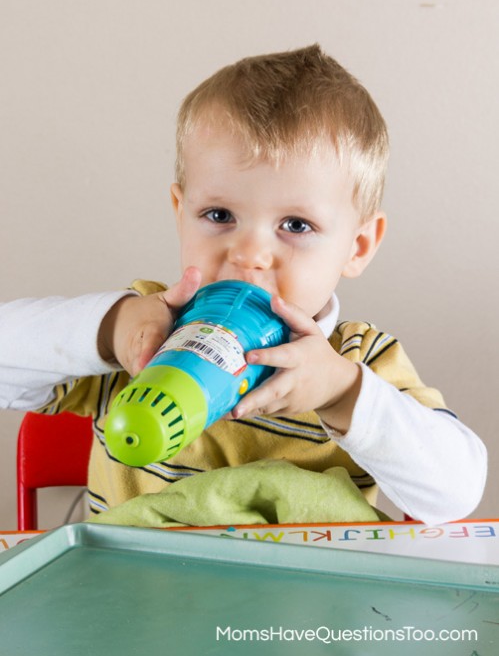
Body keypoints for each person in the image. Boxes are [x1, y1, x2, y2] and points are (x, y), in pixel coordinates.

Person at [1, 45, 486, 525]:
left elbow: (454, 495)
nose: (248, 254)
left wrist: (343, 393)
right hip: (142, 597)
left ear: (357, 246)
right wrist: (108, 331)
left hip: (303, 600)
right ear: (180, 214)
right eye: (219, 215)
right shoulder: (141, 338)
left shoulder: (358, 359)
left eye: (295, 225)